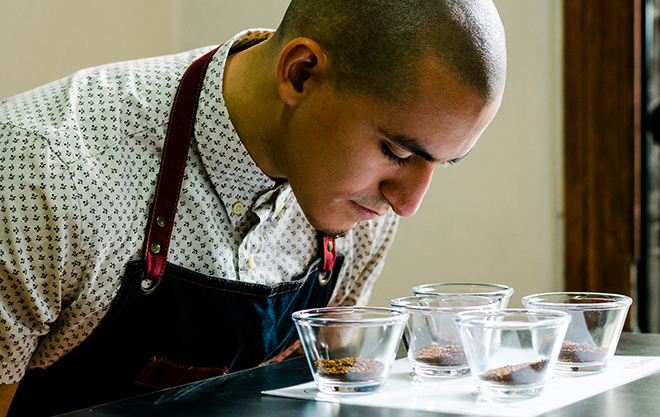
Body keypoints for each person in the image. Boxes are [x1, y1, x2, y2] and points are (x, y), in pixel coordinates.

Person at [0, 0, 506, 415]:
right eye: (396, 152)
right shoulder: (46, 170)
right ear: (301, 74)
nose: (409, 203)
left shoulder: (361, 210)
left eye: (444, 163)